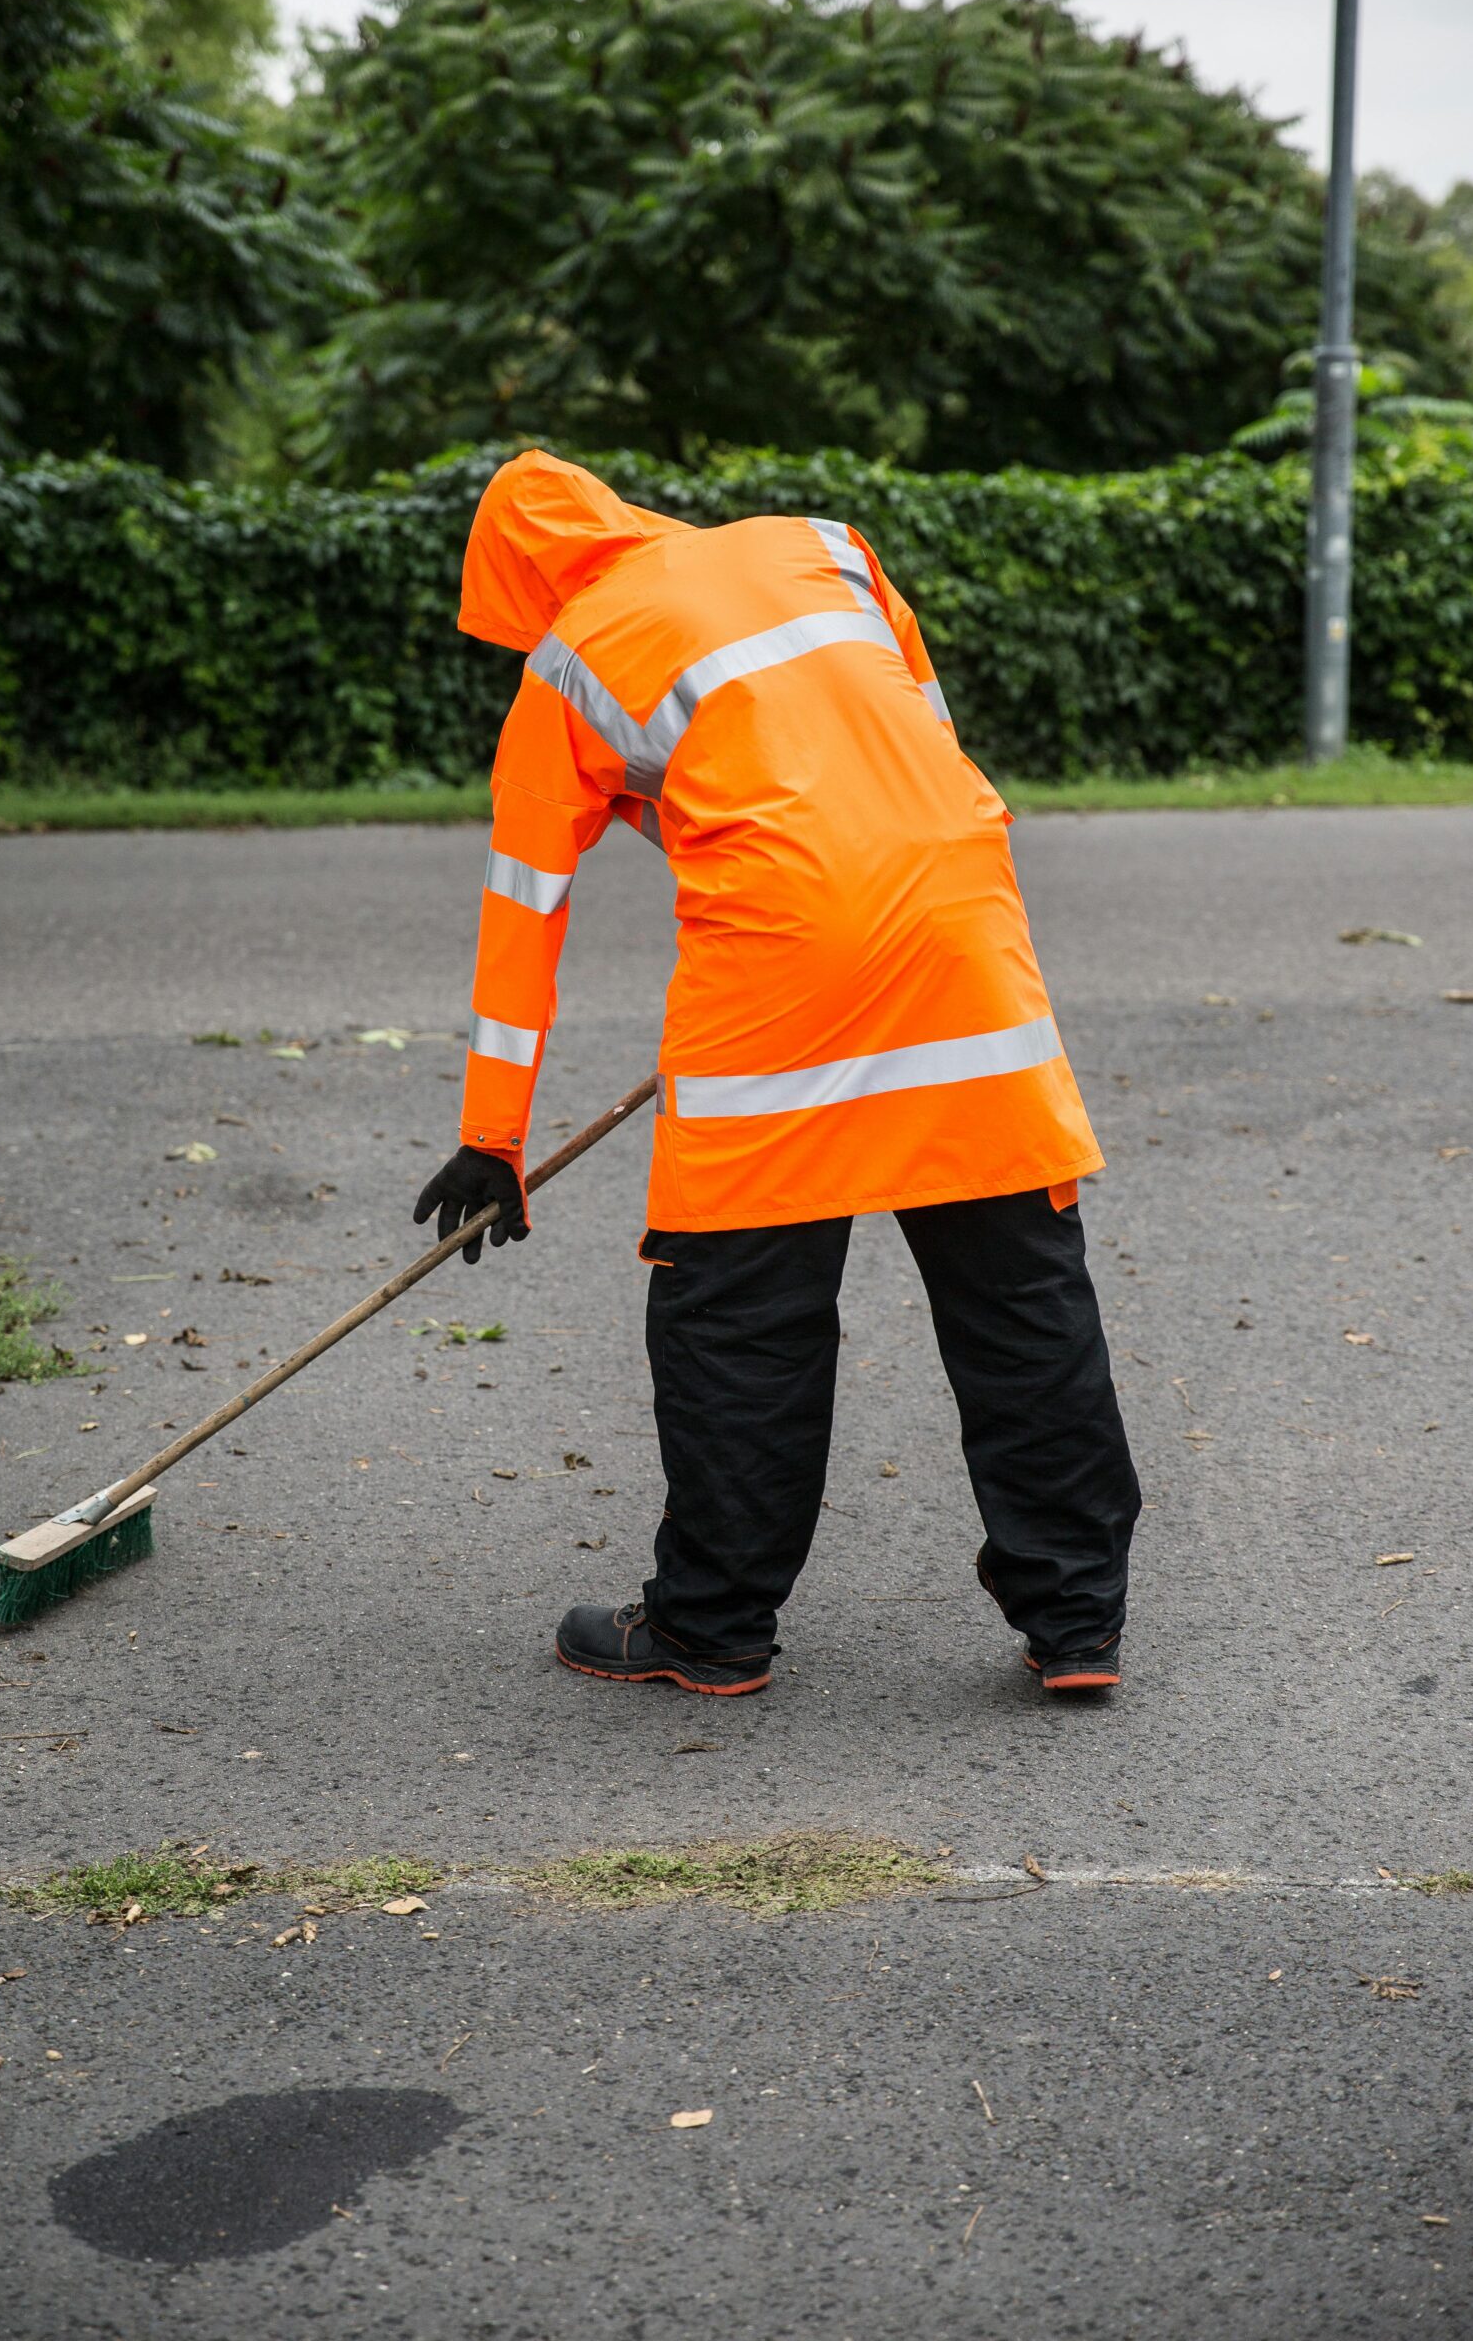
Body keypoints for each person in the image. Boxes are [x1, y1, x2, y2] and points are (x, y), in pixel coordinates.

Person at [414, 451, 1140, 1701]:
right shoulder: (820, 543)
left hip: (778, 973)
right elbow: (924, 728)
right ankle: (1077, 1620)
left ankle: (711, 1625)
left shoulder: (570, 658)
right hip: (964, 929)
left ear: (518, 586)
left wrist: (495, 1138)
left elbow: (523, 909)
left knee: (739, 1312)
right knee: (1019, 1294)